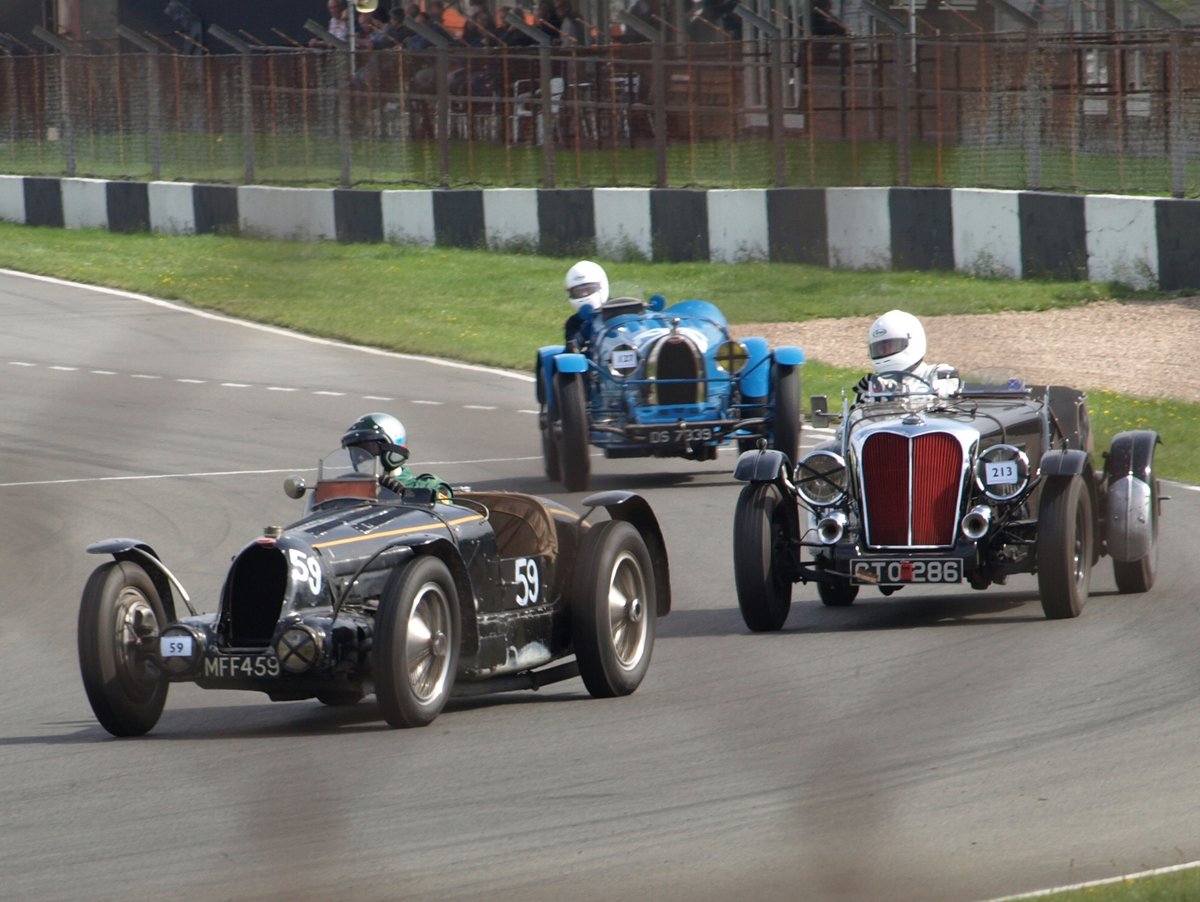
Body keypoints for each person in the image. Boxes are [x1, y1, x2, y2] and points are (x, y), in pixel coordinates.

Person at [340, 412, 454, 501]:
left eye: (368, 450)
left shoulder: (429, 485)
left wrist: (405, 495)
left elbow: (442, 513)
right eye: (356, 452)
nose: (360, 458)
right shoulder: (351, 491)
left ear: (392, 449)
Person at [854, 309, 960, 402]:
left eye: (891, 346)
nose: (885, 351)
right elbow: (855, 420)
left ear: (913, 341)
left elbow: (941, 400)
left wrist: (894, 392)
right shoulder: (873, 384)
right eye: (880, 349)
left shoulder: (939, 373)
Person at [563, 260, 609, 349]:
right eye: (578, 292)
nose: (584, 294)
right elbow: (573, 351)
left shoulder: (617, 309)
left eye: (588, 289)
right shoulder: (574, 322)